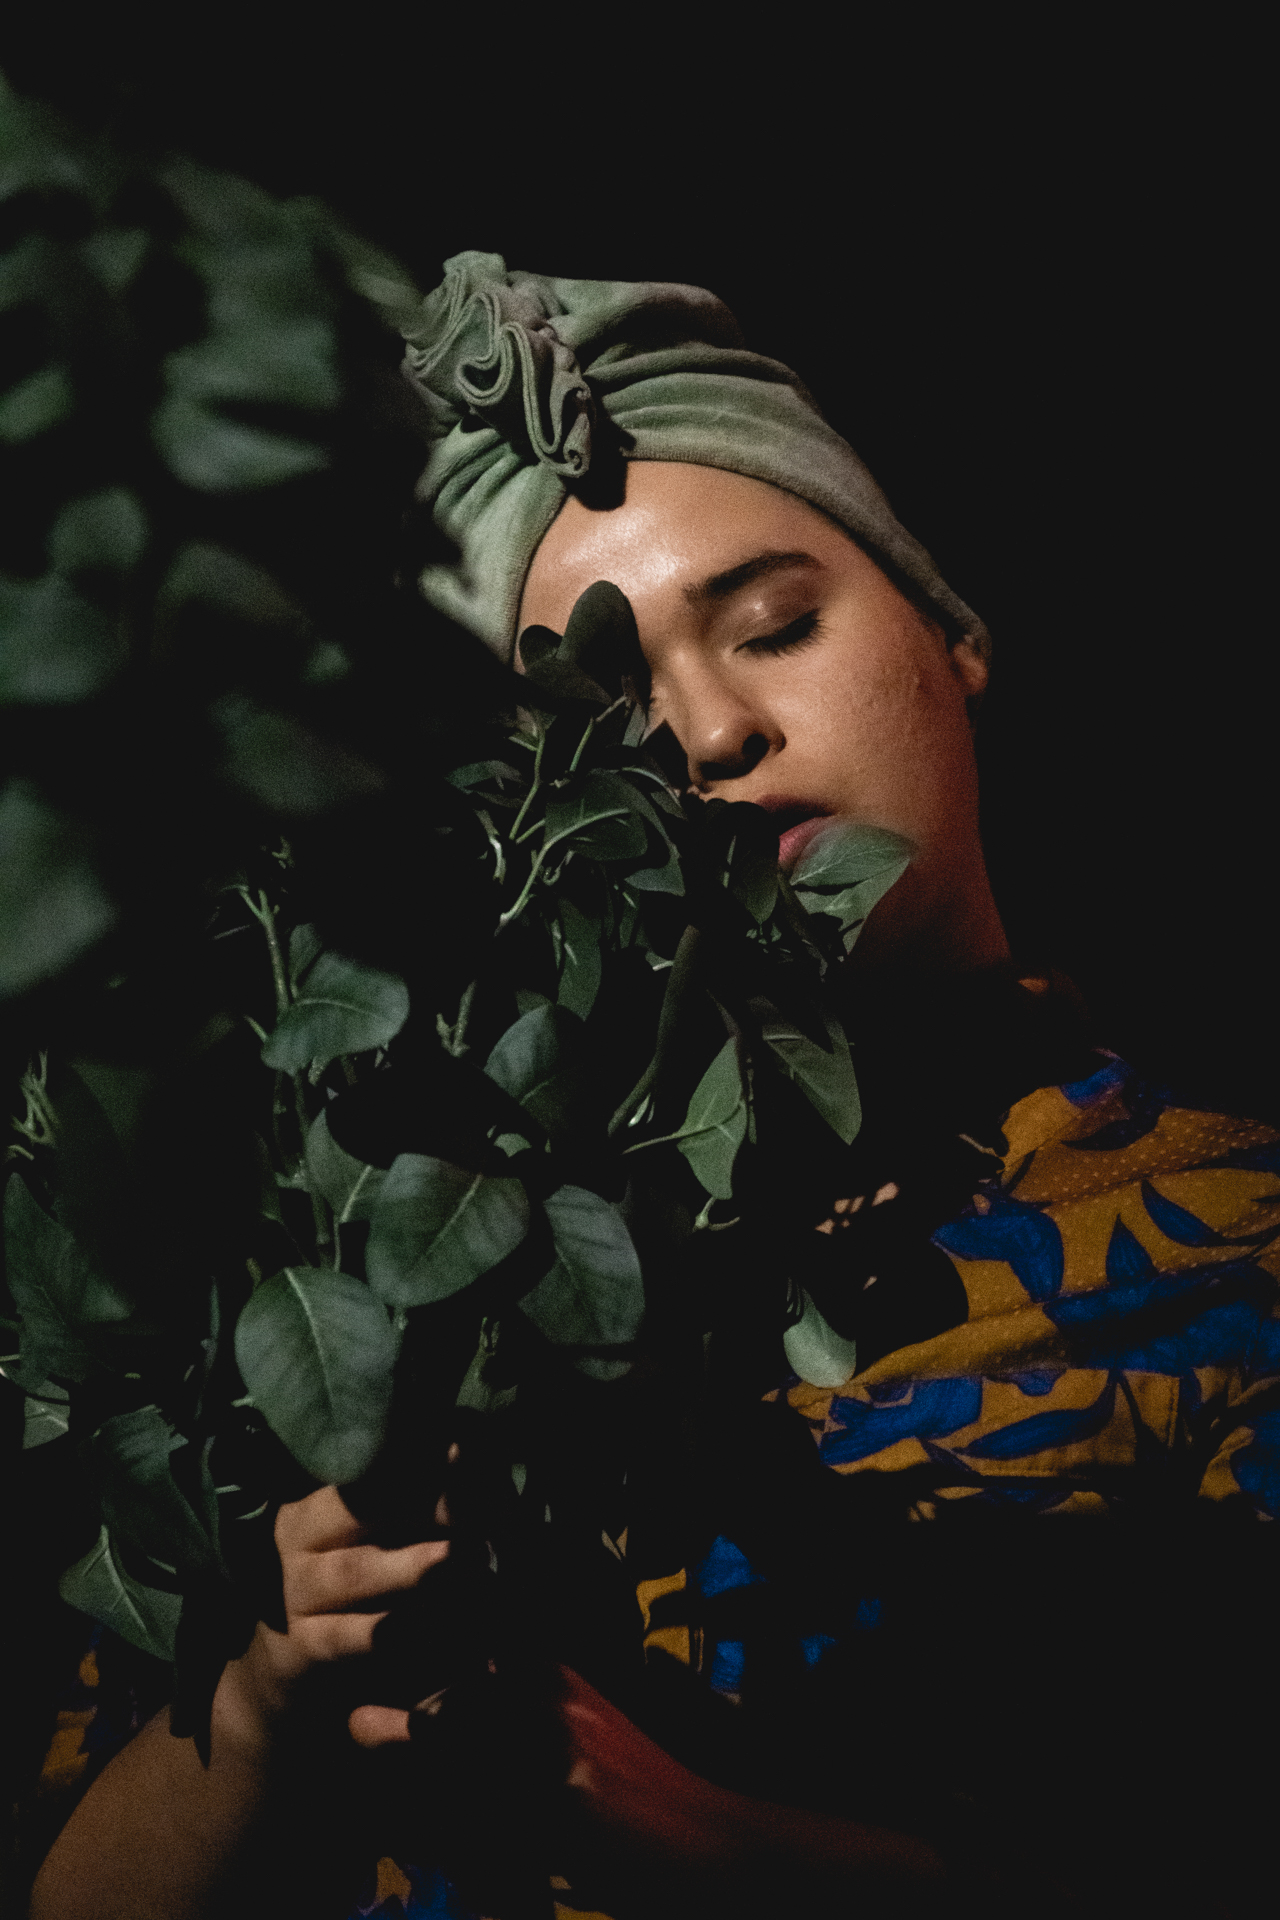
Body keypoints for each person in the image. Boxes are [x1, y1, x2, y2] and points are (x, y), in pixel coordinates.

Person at [28, 256, 1280, 1920]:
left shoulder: (1235, 1248)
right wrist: (264, 1702)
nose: (708, 732)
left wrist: (713, 1845)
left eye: (775, 626)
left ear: (952, 632)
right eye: (594, 711)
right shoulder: (386, 1294)